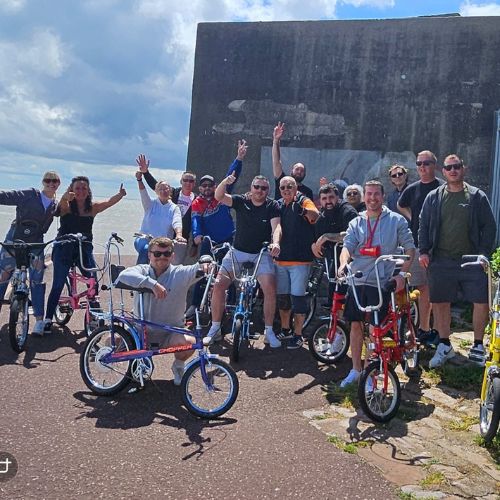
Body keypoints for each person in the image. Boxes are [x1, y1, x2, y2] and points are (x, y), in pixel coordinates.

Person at [419, 154, 497, 368]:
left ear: (464, 169)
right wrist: (424, 251)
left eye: (457, 166)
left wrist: (483, 253)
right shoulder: (434, 197)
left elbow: (489, 227)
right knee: (440, 302)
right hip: (441, 259)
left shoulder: (477, 196)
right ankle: (445, 345)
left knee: (481, 301)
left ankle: (478, 345)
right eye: (449, 167)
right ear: (443, 172)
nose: (453, 170)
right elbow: (423, 225)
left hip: (471, 260)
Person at [338, 180, 415, 387]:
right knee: (355, 324)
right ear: (364, 197)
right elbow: (347, 247)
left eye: (376, 194)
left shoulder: (396, 221)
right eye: (369, 194)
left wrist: (401, 275)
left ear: (383, 196)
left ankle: (370, 373)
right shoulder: (356, 222)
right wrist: (343, 263)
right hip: (357, 280)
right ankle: (356, 370)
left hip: (380, 283)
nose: (372, 198)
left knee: (375, 328)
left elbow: (410, 249)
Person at [116, 237, 209, 385]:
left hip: (170, 333)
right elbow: (123, 275)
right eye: (157, 254)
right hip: (140, 332)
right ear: (149, 255)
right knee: (112, 342)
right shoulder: (142, 270)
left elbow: (198, 267)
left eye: (167, 254)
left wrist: (206, 262)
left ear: (172, 255)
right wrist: (152, 284)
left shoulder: (180, 273)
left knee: (189, 342)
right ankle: (135, 364)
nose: (162, 257)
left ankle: (178, 366)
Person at [204, 173, 282, 347]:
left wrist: (276, 243)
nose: (259, 190)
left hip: (261, 253)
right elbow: (219, 196)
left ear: (268, 190)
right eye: (256, 187)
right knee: (219, 284)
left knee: (270, 288)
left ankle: (269, 331)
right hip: (237, 251)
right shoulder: (241, 201)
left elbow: (276, 227)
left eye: (263, 188)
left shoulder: (272, 205)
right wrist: (225, 181)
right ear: (251, 188)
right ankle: (215, 328)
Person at [43, 176, 126, 334]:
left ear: (88, 191)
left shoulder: (92, 208)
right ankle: (47, 319)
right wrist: (64, 197)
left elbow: (109, 202)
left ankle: (94, 315)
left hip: (84, 248)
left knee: (93, 282)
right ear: (71, 190)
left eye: (84, 188)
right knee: (58, 283)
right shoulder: (67, 206)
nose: (81, 191)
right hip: (64, 247)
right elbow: (59, 208)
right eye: (77, 188)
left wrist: (120, 195)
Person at [186, 141, 245, 316]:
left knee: (229, 273)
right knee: (203, 271)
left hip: (227, 239)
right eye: (203, 185)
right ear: (199, 188)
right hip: (208, 242)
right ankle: (195, 305)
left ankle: (231, 306)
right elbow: (196, 220)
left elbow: (231, 176)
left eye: (210, 185)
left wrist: (239, 158)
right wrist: (197, 235)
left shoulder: (221, 196)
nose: (207, 188)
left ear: (214, 186)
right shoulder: (197, 202)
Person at [0, 171, 61, 335]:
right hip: (15, 239)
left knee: (36, 281)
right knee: (3, 276)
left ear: (59, 184)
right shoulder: (30, 194)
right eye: (48, 180)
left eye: (55, 181)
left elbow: (62, 213)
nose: (51, 183)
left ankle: (39, 321)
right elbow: (6, 196)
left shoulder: (55, 205)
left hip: (36, 243)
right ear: (43, 182)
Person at [398, 150, 444, 344]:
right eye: (419, 163)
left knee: (439, 291)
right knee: (422, 288)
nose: (422, 167)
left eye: (426, 163)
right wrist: (412, 219)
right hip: (418, 245)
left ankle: (439, 332)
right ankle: (424, 329)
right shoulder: (413, 189)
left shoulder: (443, 187)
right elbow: (401, 204)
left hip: (440, 246)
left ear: (434, 165)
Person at [274, 176, 319, 349]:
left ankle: (298, 334)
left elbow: (315, 215)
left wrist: (303, 211)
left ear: (296, 188)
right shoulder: (278, 204)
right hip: (281, 261)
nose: (286, 189)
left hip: (300, 261)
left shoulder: (303, 200)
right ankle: (286, 329)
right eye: (283, 187)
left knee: (298, 299)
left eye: (289, 186)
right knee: (283, 299)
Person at [137, 158, 196, 264]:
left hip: (177, 239)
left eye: (191, 181)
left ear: (194, 183)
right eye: (185, 180)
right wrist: (145, 173)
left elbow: (179, 221)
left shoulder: (195, 200)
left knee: (169, 265)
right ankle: (139, 272)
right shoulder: (173, 193)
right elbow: (154, 186)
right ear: (181, 181)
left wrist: (191, 242)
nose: (188, 183)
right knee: (147, 251)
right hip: (155, 238)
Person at [311, 183, 358, 307]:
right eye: (324, 198)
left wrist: (326, 236)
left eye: (331, 197)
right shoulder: (323, 216)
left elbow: (351, 235)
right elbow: (315, 236)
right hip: (334, 259)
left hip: (354, 260)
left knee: (347, 299)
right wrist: (313, 244)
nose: (328, 201)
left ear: (338, 197)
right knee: (333, 298)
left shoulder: (348, 211)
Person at [272, 122, 314, 201]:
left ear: (305, 174)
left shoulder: (308, 192)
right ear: (291, 170)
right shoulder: (282, 181)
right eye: (297, 169)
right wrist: (276, 140)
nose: (299, 172)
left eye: (302, 171)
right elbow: (276, 161)